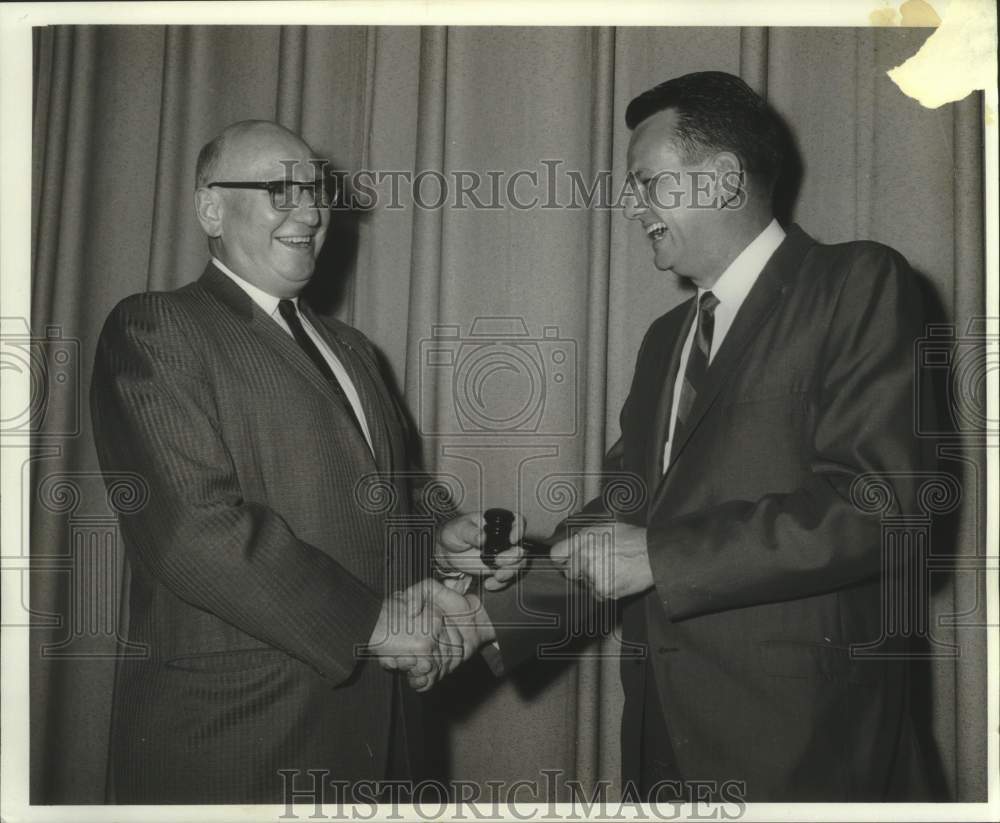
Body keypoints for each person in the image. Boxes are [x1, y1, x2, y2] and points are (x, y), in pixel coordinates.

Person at [467, 71, 933, 802]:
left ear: (721, 180)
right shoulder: (664, 340)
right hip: (662, 748)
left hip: (810, 754)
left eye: (646, 182)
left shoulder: (856, 282)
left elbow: (882, 507)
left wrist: (657, 555)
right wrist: (487, 609)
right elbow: (625, 513)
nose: (632, 207)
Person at [90, 120, 518, 804]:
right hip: (243, 740)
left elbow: (393, 489)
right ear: (210, 208)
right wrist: (377, 623)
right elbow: (192, 531)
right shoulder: (155, 328)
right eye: (281, 190)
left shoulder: (354, 348)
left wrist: (441, 536)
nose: (313, 211)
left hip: (388, 736)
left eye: (316, 189)